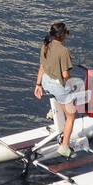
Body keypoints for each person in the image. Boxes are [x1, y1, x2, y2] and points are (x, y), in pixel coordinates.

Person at [33, 22, 77, 157]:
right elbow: (65, 75)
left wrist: (38, 85)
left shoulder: (45, 45)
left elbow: (42, 67)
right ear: (63, 35)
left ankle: (54, 111)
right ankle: (64, 147)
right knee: (71, 116)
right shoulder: (64, 51)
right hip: (58, 87)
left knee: (60, 94)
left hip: (45, 83)